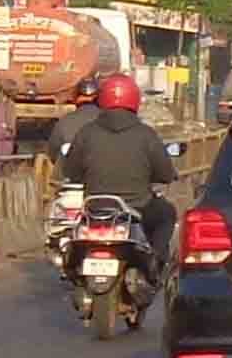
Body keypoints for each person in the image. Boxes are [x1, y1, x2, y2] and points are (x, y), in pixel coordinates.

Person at [49, 71, 182, 263]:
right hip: (139, 207)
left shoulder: (87, 133)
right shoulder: (146, 135)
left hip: (95, 207)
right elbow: (165, 172)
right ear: (135, 100)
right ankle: (156, 259)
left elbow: (71, 171)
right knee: (167, 213)